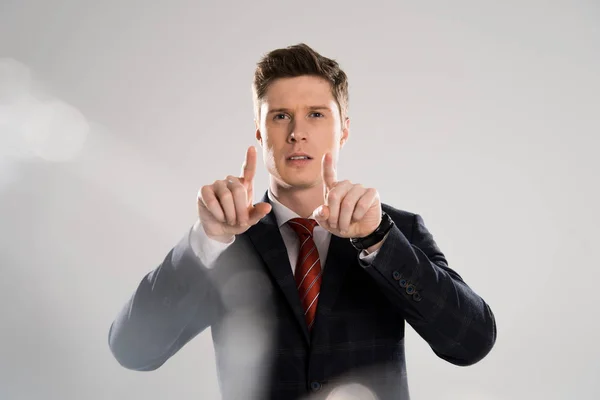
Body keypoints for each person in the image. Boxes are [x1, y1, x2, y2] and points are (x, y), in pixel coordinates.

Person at [108, 43, 497, 400]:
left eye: (315, 114)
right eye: (280, 116)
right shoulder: (225, 242)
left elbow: (471, 342)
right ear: (260, 132)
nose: (297, 133)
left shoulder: (397, 231)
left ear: (343, 129)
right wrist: (206, 240)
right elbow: (133, 350)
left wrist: (378, 241)